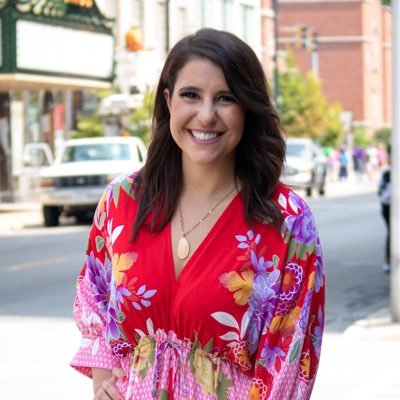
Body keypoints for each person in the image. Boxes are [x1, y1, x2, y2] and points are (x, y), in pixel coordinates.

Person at [71, 28, 325, 400]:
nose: (206, 115)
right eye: (191, 95)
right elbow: (95, 301)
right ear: (168, 100)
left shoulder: (287, 222)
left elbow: (289, 363)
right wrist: (103, 383)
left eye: (226, 98)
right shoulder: (122, 201)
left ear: (247, 109)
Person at [378, 148, 391, 273]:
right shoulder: (387, 173)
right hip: (388, 206)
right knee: (392, 232)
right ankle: (388, 260)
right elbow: (382, 193)